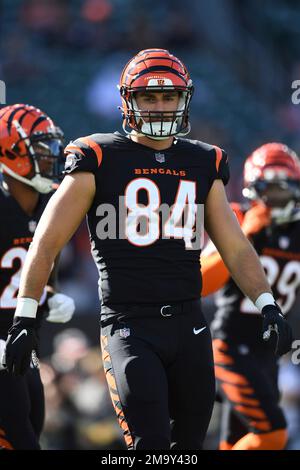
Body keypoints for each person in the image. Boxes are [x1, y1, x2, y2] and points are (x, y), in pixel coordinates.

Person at [2, 50, 292, 450]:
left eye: (169, 96)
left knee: (188, 448)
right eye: (149, 97)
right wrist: (25, 317)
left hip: (190, 326)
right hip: (129, 326)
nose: (160, 106)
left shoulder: (204, 161)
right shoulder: (97, 156)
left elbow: (236, 248)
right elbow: (47, 242)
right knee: (151, 446)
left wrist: (267, 304)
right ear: (127, 101)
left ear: (184, 99)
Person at [201, 142, 300, 450]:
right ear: (252, 191)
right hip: (231, 346)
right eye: (267, 190)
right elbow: (202, 282)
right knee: (273, 435)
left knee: (234, 442)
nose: (274, 199)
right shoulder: (236, 219)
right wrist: (245, 235)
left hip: (269, 354)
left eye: (281, 190)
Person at [0, 104, 75, 450]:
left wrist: (51, 291)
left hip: (23, 349)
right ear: (10, 153)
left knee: (34, 421)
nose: (52, 158)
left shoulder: (49, 201)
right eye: (42, 151)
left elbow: (48, 255)